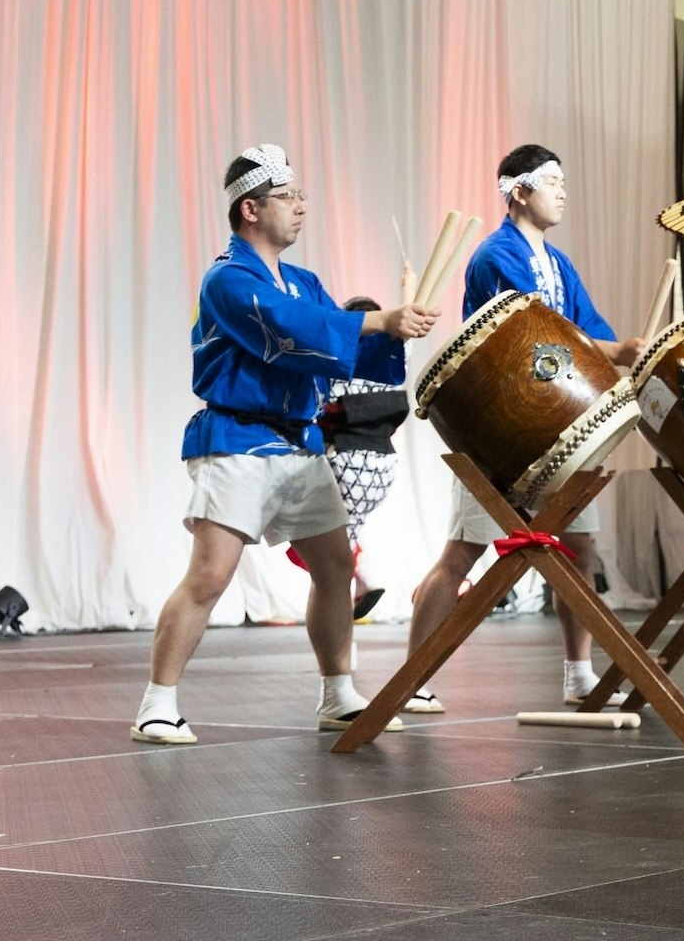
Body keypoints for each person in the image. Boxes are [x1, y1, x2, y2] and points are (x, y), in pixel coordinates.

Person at [133, 145, 436, 744]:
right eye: (288, 196)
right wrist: (378, 320)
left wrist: (400, 324)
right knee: (211, 575)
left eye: (301, 195)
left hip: (300, 445)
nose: (301, 206)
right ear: (250, 208)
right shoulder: (228, 277)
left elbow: (343, 349)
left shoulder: (303, 280)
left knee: (334, 567)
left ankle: (339, 693)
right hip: (239, 440)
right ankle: (156, 704)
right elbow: (284, 330)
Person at [404, 145, 644, 715]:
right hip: (498, 421)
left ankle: (578, 675)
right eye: (553, 180)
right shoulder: (494, 256)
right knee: (462, 553)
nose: (563, 190)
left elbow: (587, 329)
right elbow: (540, 333)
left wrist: (622, 351)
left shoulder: (560, 263)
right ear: (519, 191)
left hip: (562, 425)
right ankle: (412, 677)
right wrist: (614, 349)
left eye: (564, 179)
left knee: (579, 549)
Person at [320, 294, 412, 620]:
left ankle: (357, 586)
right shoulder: (393, 356)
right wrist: (408, 290)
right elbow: (408, 325)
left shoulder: (334, 361)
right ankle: (362, 579)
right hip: (384, 467)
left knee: (321, 547)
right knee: (343, 535)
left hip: (344, 463)